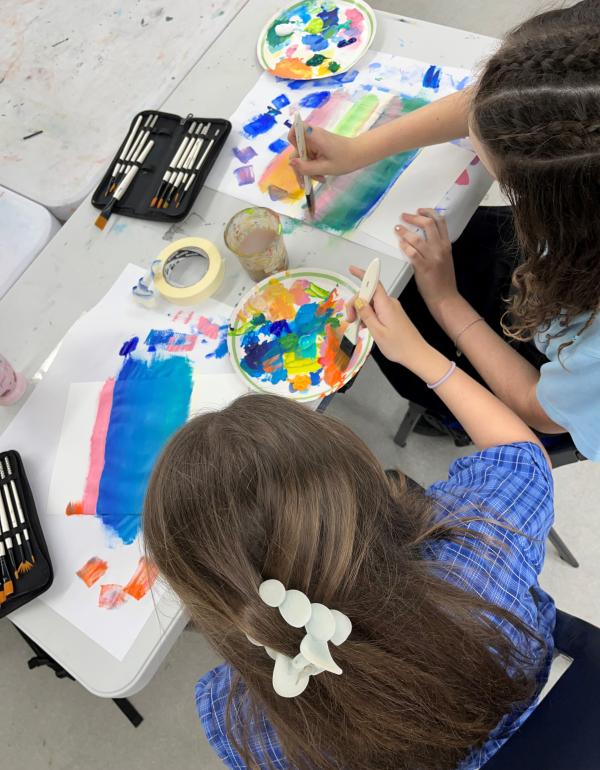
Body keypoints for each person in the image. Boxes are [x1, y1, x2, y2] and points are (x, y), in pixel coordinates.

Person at [143, 303, 555, 770]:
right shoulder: (482, 545)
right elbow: (520, 455)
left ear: (208, 594)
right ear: (364, 486)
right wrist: (420, 354)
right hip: (540, 718)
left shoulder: (231, 717)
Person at [289, 1, 600, 459]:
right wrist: (359, 150)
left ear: (555, 208)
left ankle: (442, 419)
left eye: (501, 179)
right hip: (557, 280)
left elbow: (540, 411)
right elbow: (492, 109)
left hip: (540, 389)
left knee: (399, 325)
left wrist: (445, 301)